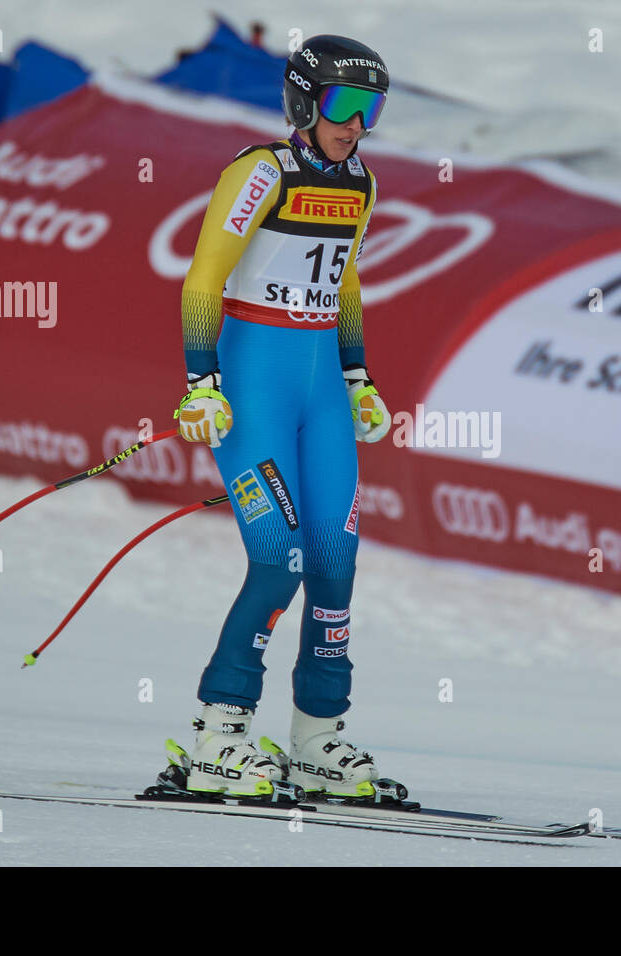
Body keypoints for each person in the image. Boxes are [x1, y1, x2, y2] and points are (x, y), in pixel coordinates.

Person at [172, 35, 394, 802]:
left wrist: (358, 376)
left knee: (335, 563)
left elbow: (348, 282)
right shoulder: (261, 170)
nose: (357, 124)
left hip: (321, 389)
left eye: (372, 110)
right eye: (344, 106)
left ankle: (316, 739)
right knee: (280, 558)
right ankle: (219, 735)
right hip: (255, 387)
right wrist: (201, 382)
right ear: (305, 100)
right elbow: (203, 277)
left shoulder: (361, 181)